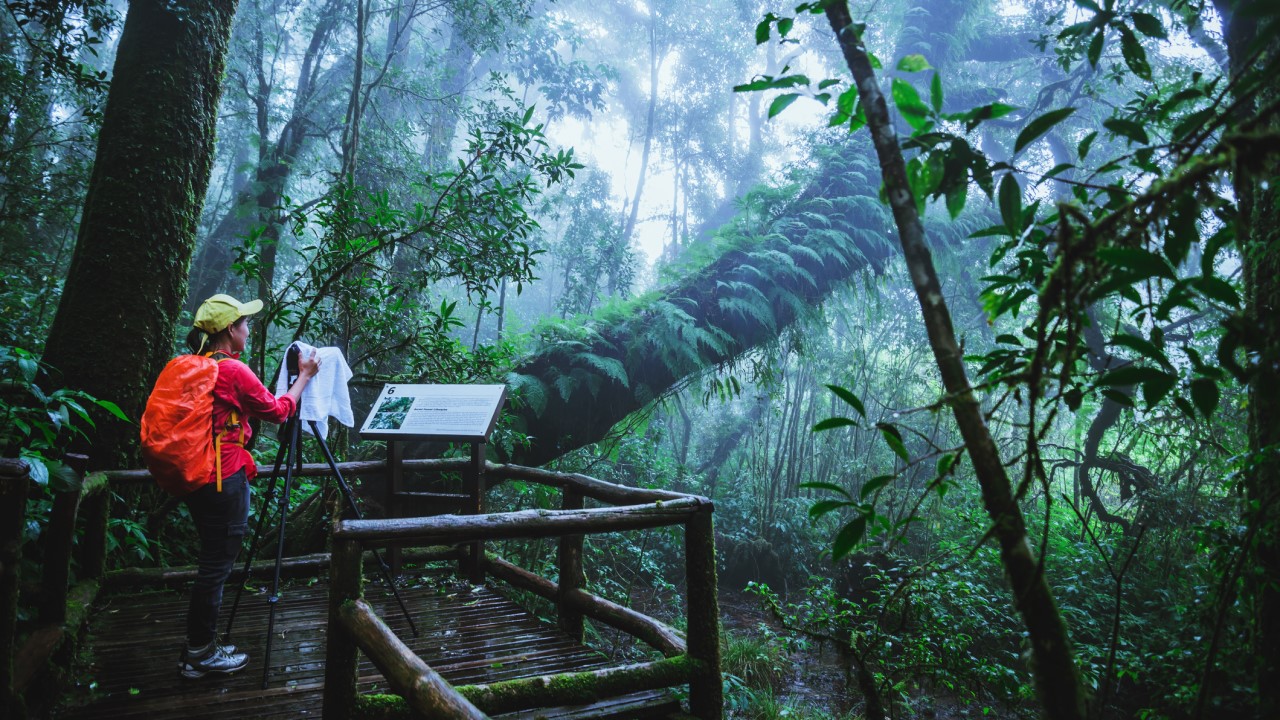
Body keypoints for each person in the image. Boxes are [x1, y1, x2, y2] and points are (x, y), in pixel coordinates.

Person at [178, 294, 319, 679]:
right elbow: (276, 410)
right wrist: (304, 376)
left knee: (211, 562)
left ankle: (200, 647)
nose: (248, 329)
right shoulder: (233, 372)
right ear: (229, 330)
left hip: (199, 477)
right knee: (216, 567)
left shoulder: (197, 367)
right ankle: (200, 653)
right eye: (244, 323)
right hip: (223, 479)